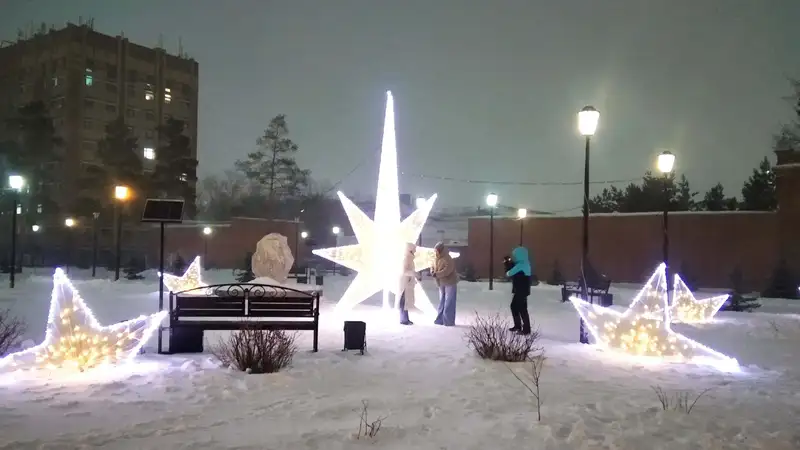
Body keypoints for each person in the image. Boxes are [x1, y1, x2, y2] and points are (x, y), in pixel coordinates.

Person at [506, 246, 532, 335]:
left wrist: (507, 264)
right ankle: (518, 326)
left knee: (521, 308)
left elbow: (509, 273)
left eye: (515, 255)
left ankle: (526, 329)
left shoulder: (521, 265)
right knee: (515, 307)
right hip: (522, 290)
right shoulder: (525, 263)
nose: (514, 257)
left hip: (521, 290)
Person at [432, 242, 459, 326]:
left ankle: (448, 321)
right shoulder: (435, 258)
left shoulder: (448, 258)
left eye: (437, 250)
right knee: (442, 301)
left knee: (449, 302)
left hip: (450, 282)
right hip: (441, 282)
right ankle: (440, 319)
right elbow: (432, 266)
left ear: (441, 250)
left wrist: (437, 274)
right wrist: (432, 271)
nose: (436, 252)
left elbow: (448, 270)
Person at [398, 242, 418, 325]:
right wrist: (413, 274)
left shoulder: (409, 259)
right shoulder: (406, 259)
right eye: (414, 249)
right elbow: (404, 271)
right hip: (404, 284)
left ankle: (405, 318)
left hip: (407, 283)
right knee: (403, 302)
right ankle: (403, 319)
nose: (415, 251)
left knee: (405, 302)